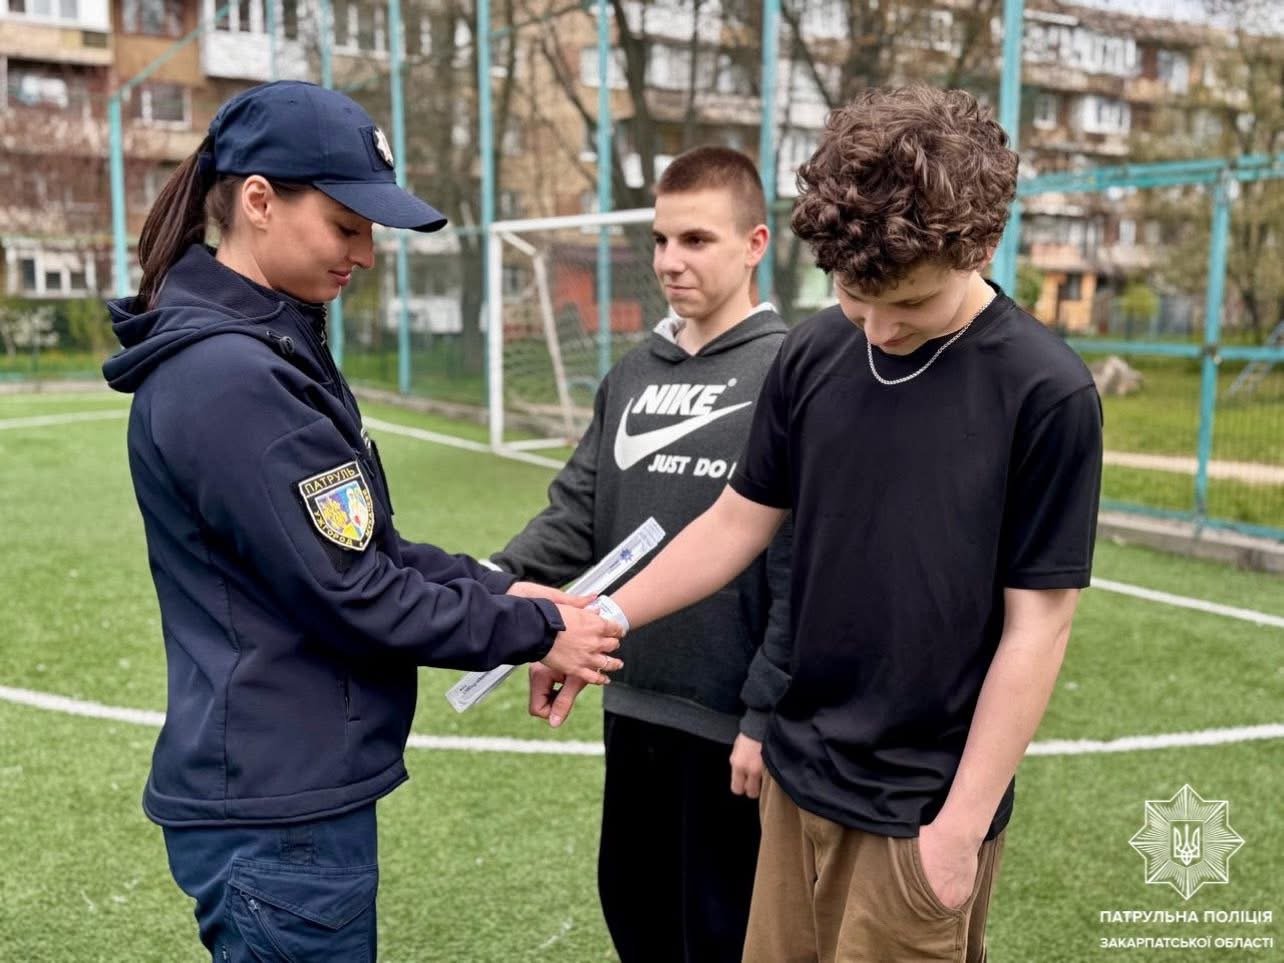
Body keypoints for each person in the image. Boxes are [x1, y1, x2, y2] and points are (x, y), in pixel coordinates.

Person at [552, 86, 1104, 962]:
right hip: (795, 781)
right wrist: (604, 616)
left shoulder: (1046, 392)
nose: (878, 330)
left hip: (919, 812)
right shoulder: (811, 352)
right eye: (854, 296)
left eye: (910, 306)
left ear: (981, 246)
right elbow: (735, 523)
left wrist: (958, 830)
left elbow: (1039, 626)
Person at [101, 80, 623, 962]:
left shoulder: (267, 346)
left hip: (285, 794)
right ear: (258, 201)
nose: (368, 254)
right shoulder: (233, 378)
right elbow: (355, 592)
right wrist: (536, 631)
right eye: (346, 226)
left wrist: (500, 588)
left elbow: (363, 544)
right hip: (279, 812)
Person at [489, 146, 792, 962]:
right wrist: (488, 583)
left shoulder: (789, 372)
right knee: (637, 918)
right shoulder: (632, 373)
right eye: (660, 240)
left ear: (755, 243)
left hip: (733, 727)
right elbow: (577, 512)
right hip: (632, 702)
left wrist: (766, 710)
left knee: (724, 939)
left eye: (696, 240)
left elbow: (802, 560)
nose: (669, 261)